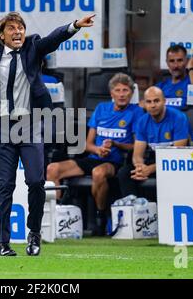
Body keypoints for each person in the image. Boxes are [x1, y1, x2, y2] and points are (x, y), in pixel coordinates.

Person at [0, 11, 96, 256]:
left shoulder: (33, 46)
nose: (18, 32)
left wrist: (74, 26)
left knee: (36, 181)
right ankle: (3, 243)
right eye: (11, 28)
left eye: (20, 27)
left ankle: (34, 233)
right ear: (2, 35)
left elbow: (53, 39)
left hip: (30, 125)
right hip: (1, 126)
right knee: (5, 185)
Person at [46, 73, 144, 236]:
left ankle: (100, 219)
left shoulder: (136, 112)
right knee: (53, 168)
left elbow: (136, 145)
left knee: (98, 173)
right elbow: (87, 144)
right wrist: (97, 150)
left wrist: (115, 144)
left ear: (131, 93)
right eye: (117, 90)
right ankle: (57, 216)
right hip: (94, 157)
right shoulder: (101, 109)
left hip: (116, 161)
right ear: (111, 93)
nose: (121, 94)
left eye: (125, 90)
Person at [117, 86, 193, 201]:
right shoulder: (142, 121)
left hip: (178, 163)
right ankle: (135, 210)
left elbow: (178, 155)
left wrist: (151, 169)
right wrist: (140, 167)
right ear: (144, 104)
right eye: (149, 102)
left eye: (156, 101)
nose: (153, 105)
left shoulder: (179, 118)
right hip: (157, 160)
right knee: (124, 173)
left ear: (164, 101)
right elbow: (137, 155)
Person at [157, 44, 193, 110]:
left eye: (180, 60)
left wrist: (191, 68)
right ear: (167, 63)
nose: (176, 66)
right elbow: (147, 103)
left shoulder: (192, 82)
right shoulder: (161, 86)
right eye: (172, 61)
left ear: (186, 61)